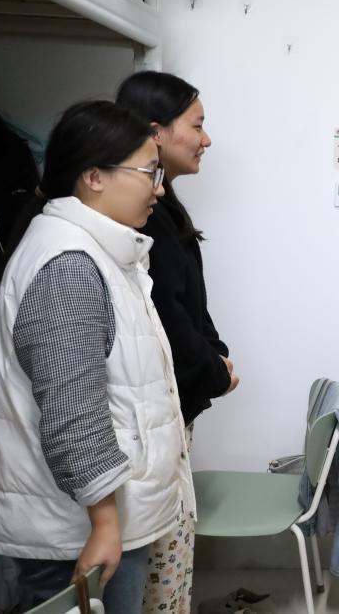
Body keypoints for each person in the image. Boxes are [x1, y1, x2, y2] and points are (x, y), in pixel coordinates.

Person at [0, 100, 194, 613]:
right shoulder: (68, 264)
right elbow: (73, 411)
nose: (160, 189)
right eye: (149, 172)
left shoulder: (97, 251)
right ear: (94, 176)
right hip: (79, 532)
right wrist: (104, 522)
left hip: (96, 521)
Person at [116, 71, 237, 613]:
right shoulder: (142, 220)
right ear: (156, 131)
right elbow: (168, 316)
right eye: (197, 125)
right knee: (161, 566)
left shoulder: (161, 208)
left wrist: (216, 356)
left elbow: (188, 305)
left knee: (169, 557)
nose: (206, 139)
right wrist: (215, 370)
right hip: (154, 417)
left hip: (172, 408)